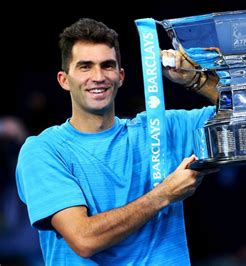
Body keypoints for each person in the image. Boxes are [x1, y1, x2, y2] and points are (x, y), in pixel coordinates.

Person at [15, 18, 222, 265]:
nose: (98, 76)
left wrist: (196, 80)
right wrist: (164, 195)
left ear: (121, 76)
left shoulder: (159, 128)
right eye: (85, 67)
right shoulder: (43, 150)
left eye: (108, 65)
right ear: (64, 80)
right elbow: (84, 239)